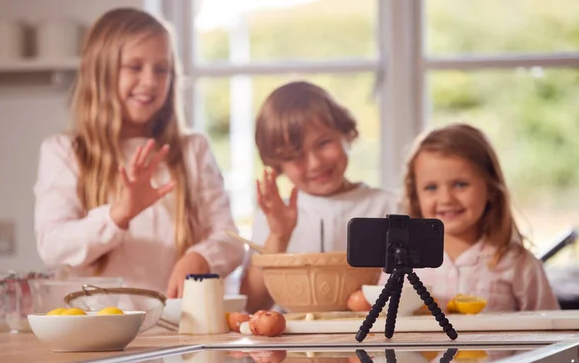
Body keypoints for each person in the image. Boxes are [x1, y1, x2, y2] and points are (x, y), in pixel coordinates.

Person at [33, 8, 244, 298]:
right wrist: (119, 214)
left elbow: (230, 240)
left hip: (177, 327)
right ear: (100, 72)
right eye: (134, 66)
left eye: (162, 69)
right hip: (95, 332)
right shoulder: (65, 151)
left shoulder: (193, 150)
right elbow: (53, 247)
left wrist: (202, 257)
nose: (150, 81)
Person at [238, 81, 397, 312]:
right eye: (295, 156)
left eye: (323, 143)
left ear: (346, 133)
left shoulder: (389, 206)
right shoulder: (273, 218)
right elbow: (253, 304)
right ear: (277, 164)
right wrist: (279, 235)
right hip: (293, 344)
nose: (315, 163)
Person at [395, 122, 559, 311]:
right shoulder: (401, 261)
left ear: (490, 188)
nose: (446, 199)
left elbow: (550, 328)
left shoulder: (518, 263)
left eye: (460, 184)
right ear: (416, 197)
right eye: (431, 187)